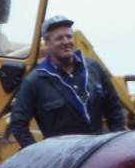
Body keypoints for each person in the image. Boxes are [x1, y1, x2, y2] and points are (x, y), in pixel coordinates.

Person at [9, 15, 126, 149]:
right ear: (47, 44)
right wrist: (38, 154)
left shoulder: (93, 68)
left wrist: (114, 145)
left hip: (95, 155)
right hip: (62, 162)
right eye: (59, 38)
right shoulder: (35, 81)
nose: (66, 41)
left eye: (69, 36)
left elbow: (114, 108)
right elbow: (18, 123)